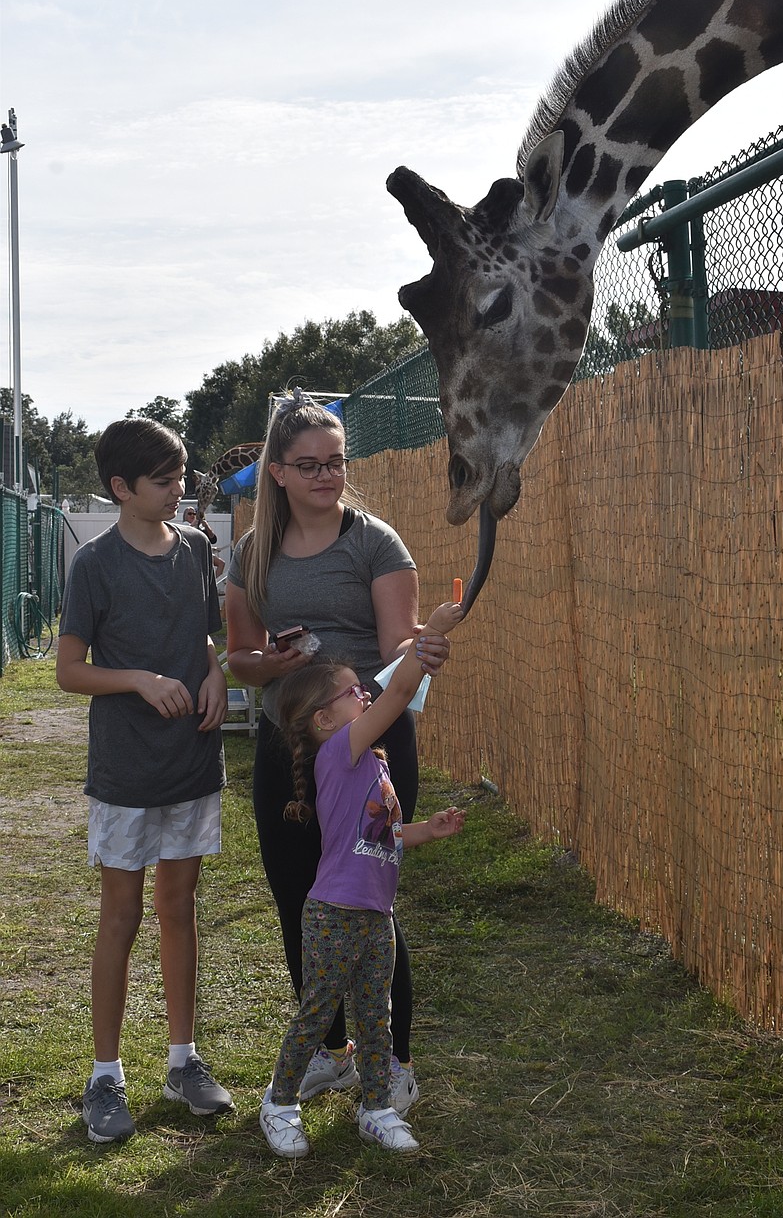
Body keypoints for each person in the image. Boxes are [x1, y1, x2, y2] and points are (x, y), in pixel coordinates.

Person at [226, 390, 452, 1113]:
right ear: (279, 473)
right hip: (285, 748)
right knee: (300, 901)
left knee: (365, 905)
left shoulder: (375, 541)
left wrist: (425, 647)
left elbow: (397, 648)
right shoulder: (251, 553)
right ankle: (332, 1054)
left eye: (336, 463)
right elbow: (239, 659)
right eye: (309, 465)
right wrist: (272, 663)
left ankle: (397, 1066)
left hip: (370, 745)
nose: (327, 476)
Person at [56, 418, 233, 1144]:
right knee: (122, 916)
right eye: (164, 480)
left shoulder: (194, 548)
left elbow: (205, 634)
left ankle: (182, 1061)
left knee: (180, 906)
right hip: (126, 772)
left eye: (182, 475)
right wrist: (136, 680)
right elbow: (69, 670)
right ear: (120, 488)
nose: (179, 489)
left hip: (193, 761)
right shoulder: (94, 564)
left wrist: (216, 671)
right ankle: (106, 1075)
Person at [259, 596, 465, 1157]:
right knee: (318, 1012)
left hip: (376, 915)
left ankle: (376, 1108)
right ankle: (279, 1104)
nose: (366, 695)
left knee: (377, 1019)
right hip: (333, 914)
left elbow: (383, 836)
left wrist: (428, 829)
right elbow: (398, 694)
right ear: (323, 720)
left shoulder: (371, 763)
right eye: (353, 692)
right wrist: (432, 635)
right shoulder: (338, 754)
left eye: (363, 689)